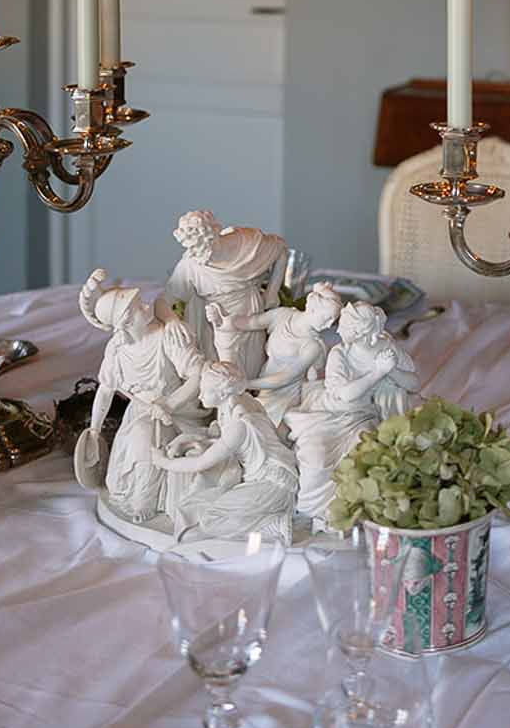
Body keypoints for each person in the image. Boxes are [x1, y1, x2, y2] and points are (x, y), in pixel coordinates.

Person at [74, 273, 205, 526]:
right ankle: (139, 495)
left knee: (144, 441)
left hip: (178, 409)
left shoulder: (167, 335)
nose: (147, 306)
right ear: (124, 324)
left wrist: (170, 404)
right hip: (141, 411)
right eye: (136, 308)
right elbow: (105, 390)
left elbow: (197, 375)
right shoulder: (117, 350)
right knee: (130, 460)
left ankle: (146, 500)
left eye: (141, 302)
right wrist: (94, 428)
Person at [286, 304, 419, 525]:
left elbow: (413, 384)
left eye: (345, 326)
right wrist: (378, 371)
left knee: (364, 452)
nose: (339, 330)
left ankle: (349, 509)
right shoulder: (340, 354)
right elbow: (346, 395)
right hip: (328, 414)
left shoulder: (387, 347)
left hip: (362, 416)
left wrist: (392, 370)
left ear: (360, 331)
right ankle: (311, 508)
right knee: (315, 456)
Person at [153, 359, 298, 544]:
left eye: (205, 390)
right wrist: (184, 441)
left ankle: (273, 526)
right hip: (262, 478)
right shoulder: (243, 402)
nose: (199, 395)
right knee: (203, 507)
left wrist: (163, 462)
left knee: (211, 520)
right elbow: (219, 440)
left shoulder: (239, 423)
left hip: (273, 484)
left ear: (222, 392)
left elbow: (201, 462)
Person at [168, 209, 289, 378]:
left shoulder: (247, 243)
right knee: (220, 374)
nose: (196, 254)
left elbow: (280, 249)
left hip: (249, 312)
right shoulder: (190, 263)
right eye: (191, 248)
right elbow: (164, 300)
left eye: (201, 246)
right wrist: (171, 320)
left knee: (250, 369)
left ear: (213, 235)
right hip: (213, 322)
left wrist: (272, 293)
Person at [215, 280, 343, 429]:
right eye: (327, 318)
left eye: (332, 321)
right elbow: (251, 322)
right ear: (313, 308)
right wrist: (223, 320)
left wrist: (247, 384)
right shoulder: (283, 315)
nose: (328, 325)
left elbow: (286, 377)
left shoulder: (313, 346)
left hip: (285, 398)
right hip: (264, 389)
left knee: (253, 426)